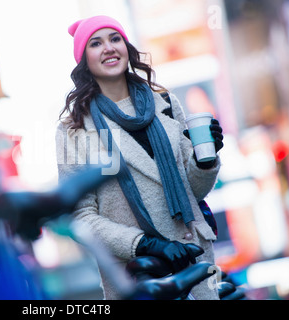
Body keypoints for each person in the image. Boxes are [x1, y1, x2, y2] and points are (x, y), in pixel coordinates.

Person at [55, 15, 224, 300]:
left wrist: (204, 162)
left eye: (115, 39)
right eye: (96, 43)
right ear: (84, 61)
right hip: (138, 274)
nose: (109, 48)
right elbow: (80, 217)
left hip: (193, 257)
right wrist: (144, 244)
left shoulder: (166, 103)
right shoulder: (73, 129)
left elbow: (191, 191)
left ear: (127, 47)